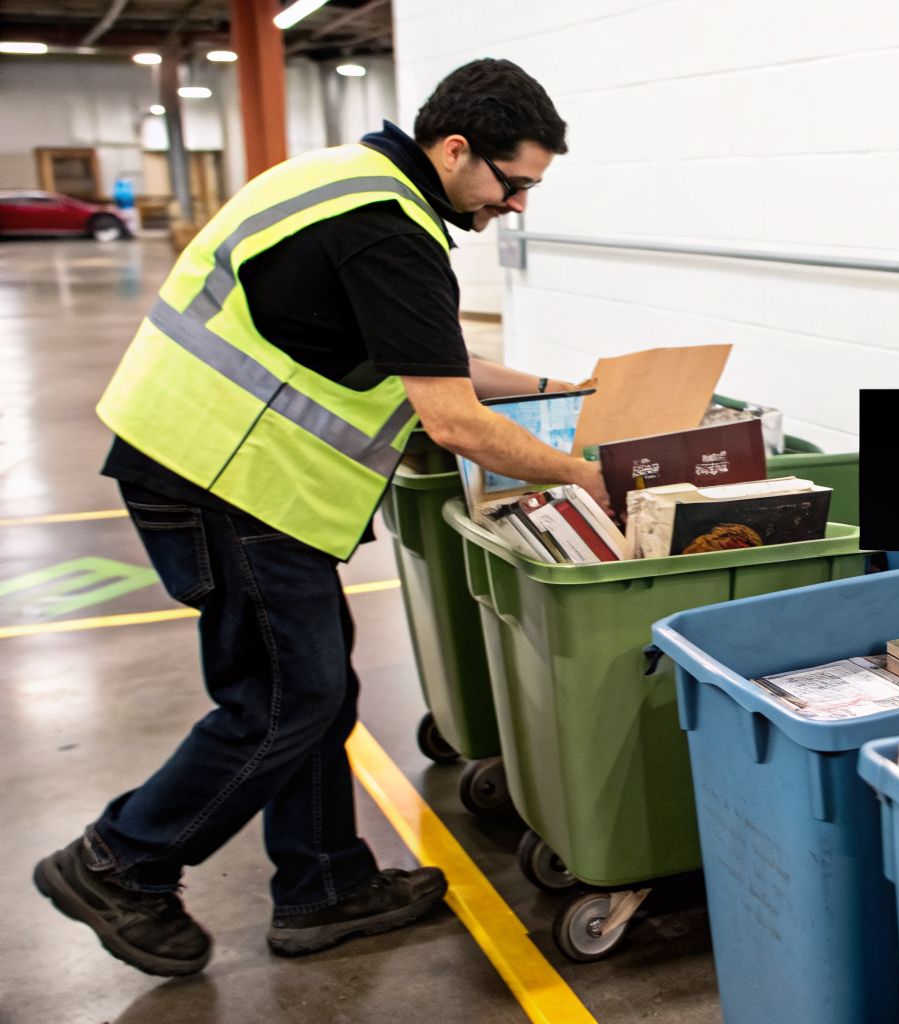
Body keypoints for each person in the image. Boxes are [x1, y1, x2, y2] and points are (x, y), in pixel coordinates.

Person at [32, 58, 609, 977]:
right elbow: (450, 418)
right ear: (455, 151)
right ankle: (121, 861)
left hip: (218, 464)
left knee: (312, 690)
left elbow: (424, 351)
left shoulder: (345, 181)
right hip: (224, 476)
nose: (518, 206)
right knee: (285, 698)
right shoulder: (390, 232)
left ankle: (325, 886)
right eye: (514, 184)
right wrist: (589, 473)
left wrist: (555, 389)